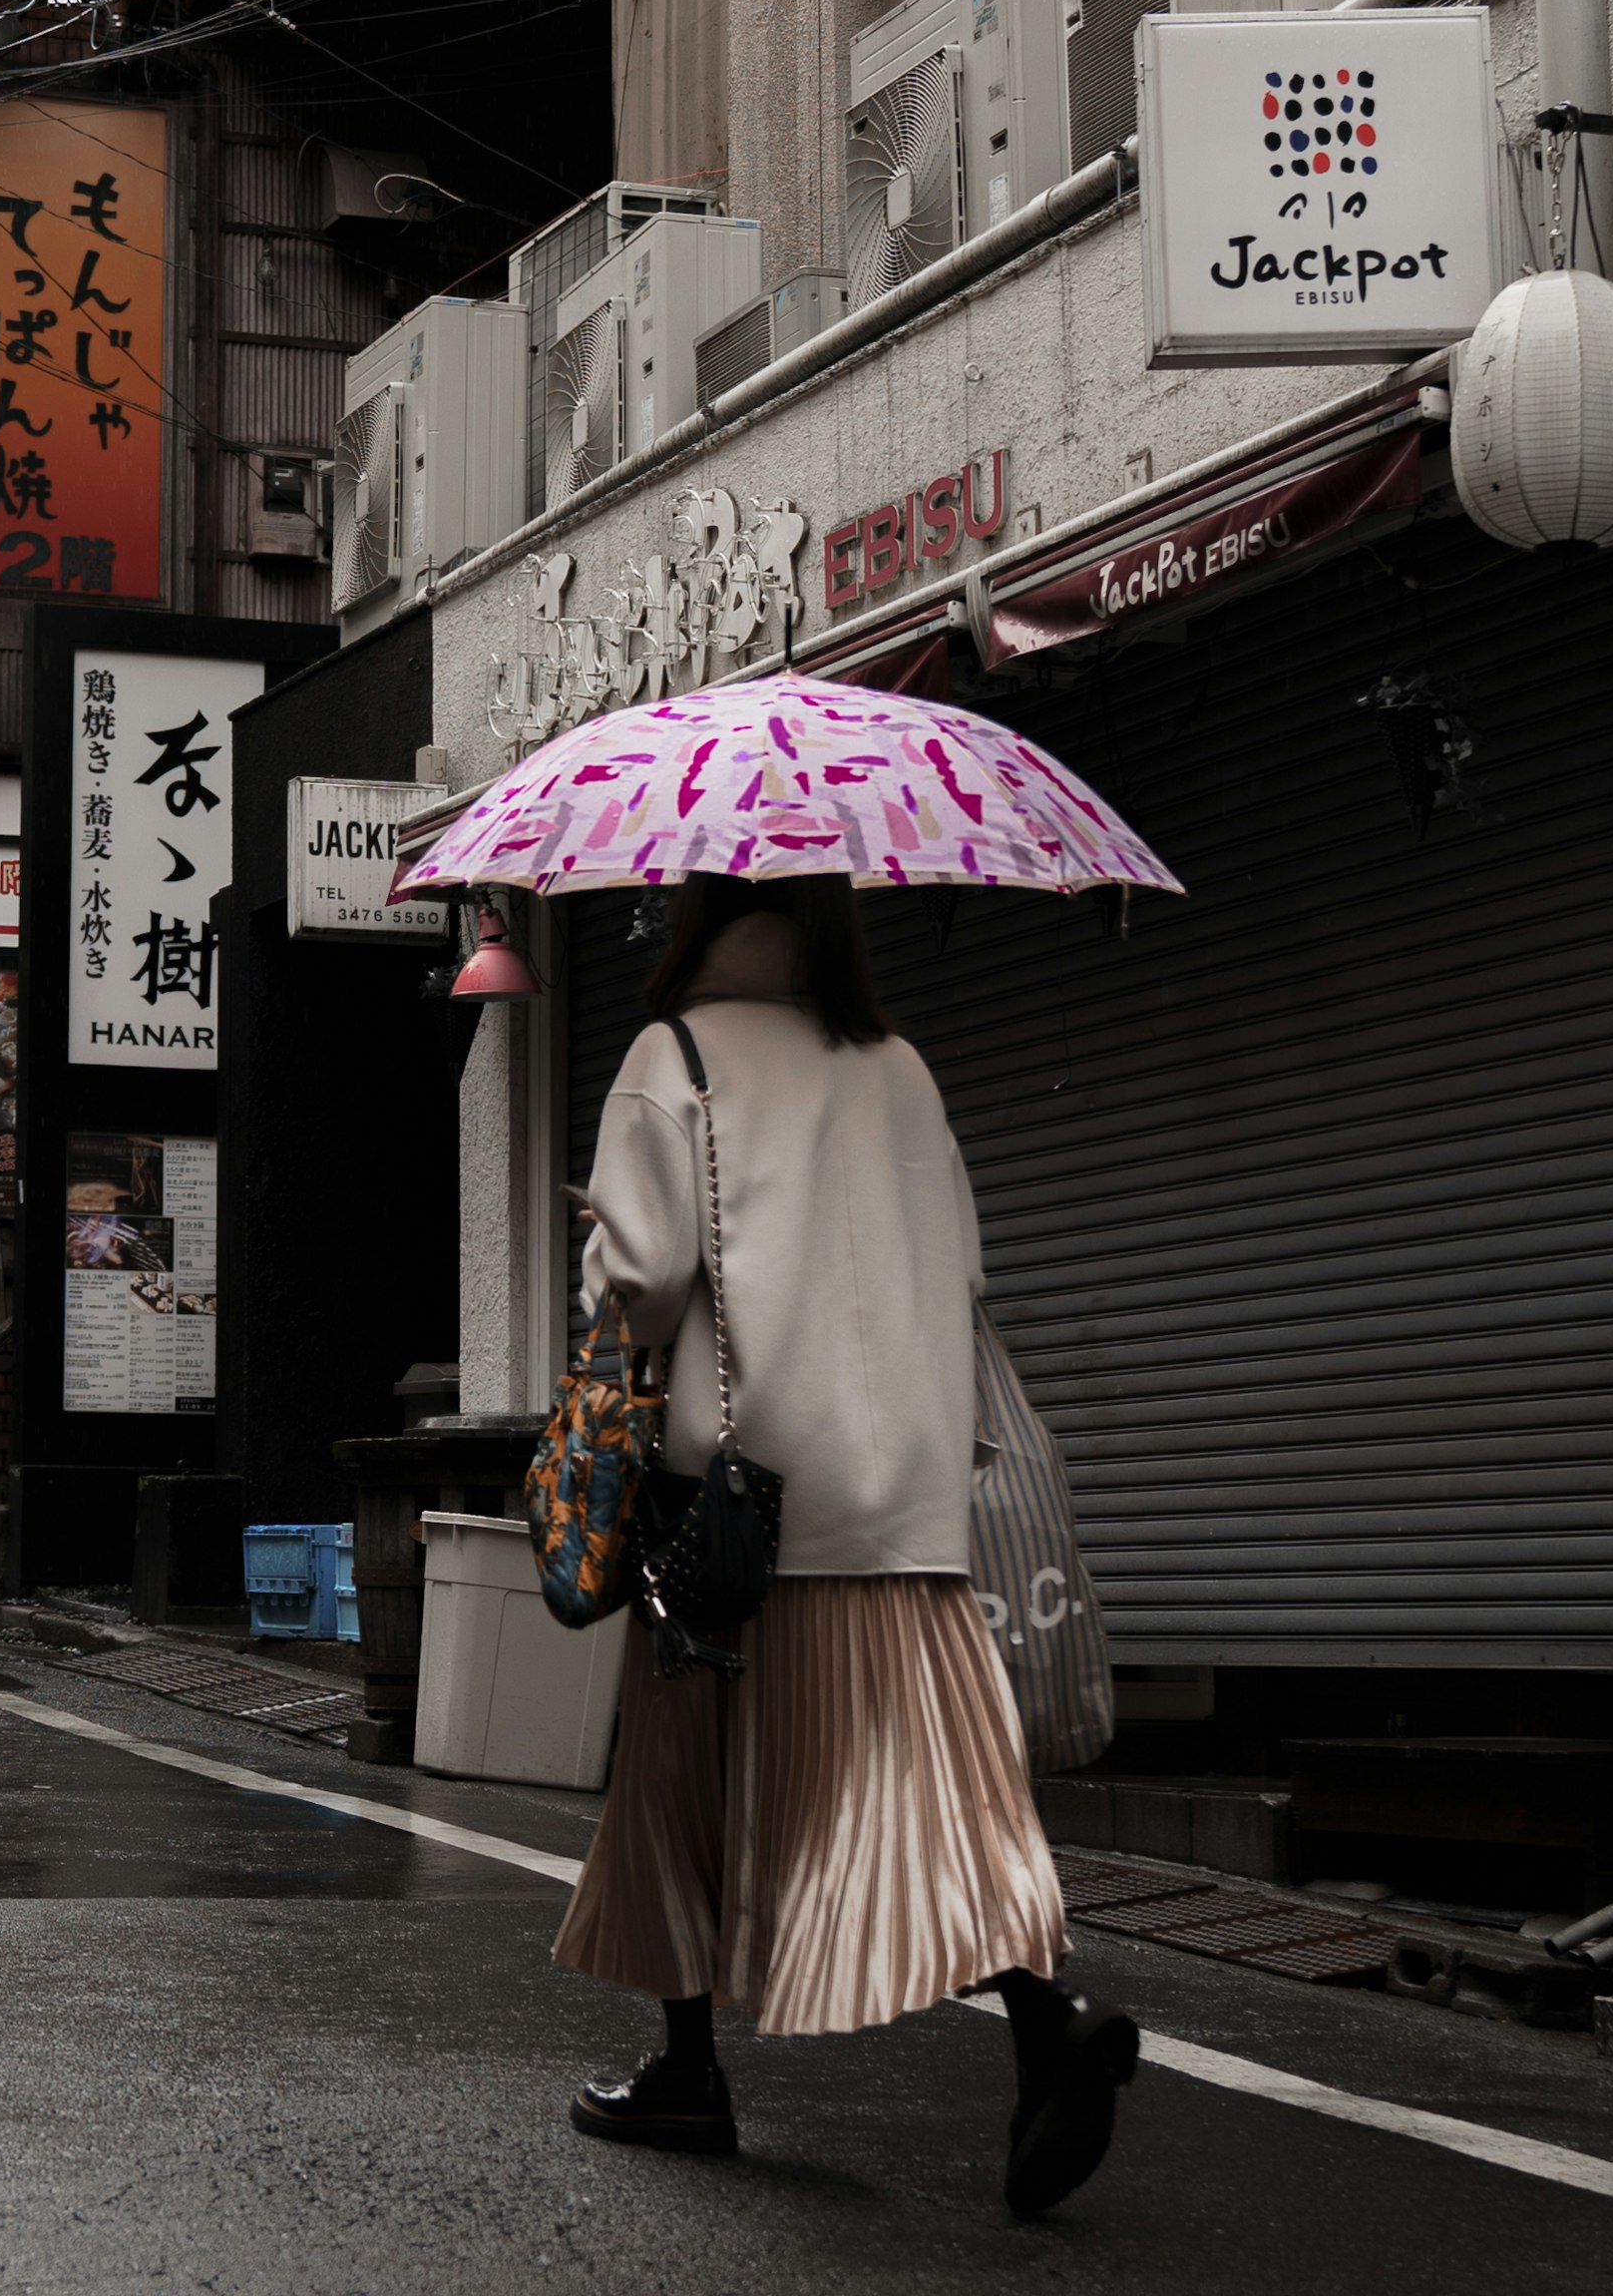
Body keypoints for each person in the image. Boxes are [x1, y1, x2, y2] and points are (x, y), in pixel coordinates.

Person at [553, 870, 1138, 2216]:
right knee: (944, 1797)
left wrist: (603, 1245)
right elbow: (965, 1271)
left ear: (702, 908)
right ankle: (1050, 2027)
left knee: (676, 1778)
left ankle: (690, 2067)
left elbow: (639, 1289)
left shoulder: (675, 1056)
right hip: (911, 1506)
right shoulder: (903, 1069)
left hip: (743, 1509)